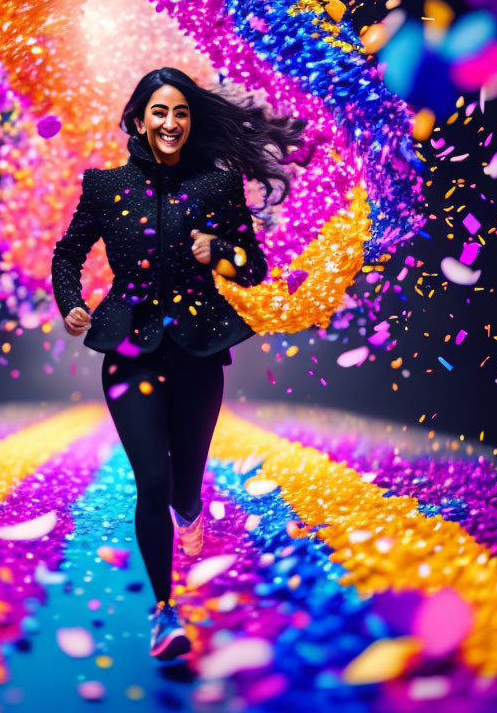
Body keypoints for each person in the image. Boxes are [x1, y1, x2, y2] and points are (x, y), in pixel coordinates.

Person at [51, 67, 307, 661]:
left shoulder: (218, 186)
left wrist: (218, 250)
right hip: (128, 352)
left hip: (198, 350)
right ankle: (164, 612)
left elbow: (253, 266)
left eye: (181, 113)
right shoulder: (104, 186)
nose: (171, 123)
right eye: (159, 112)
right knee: (153, 480)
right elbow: (68, 254)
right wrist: (71, 303)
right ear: (139, 120)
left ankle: (189, 510)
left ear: (190, 123)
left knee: (185, 483)